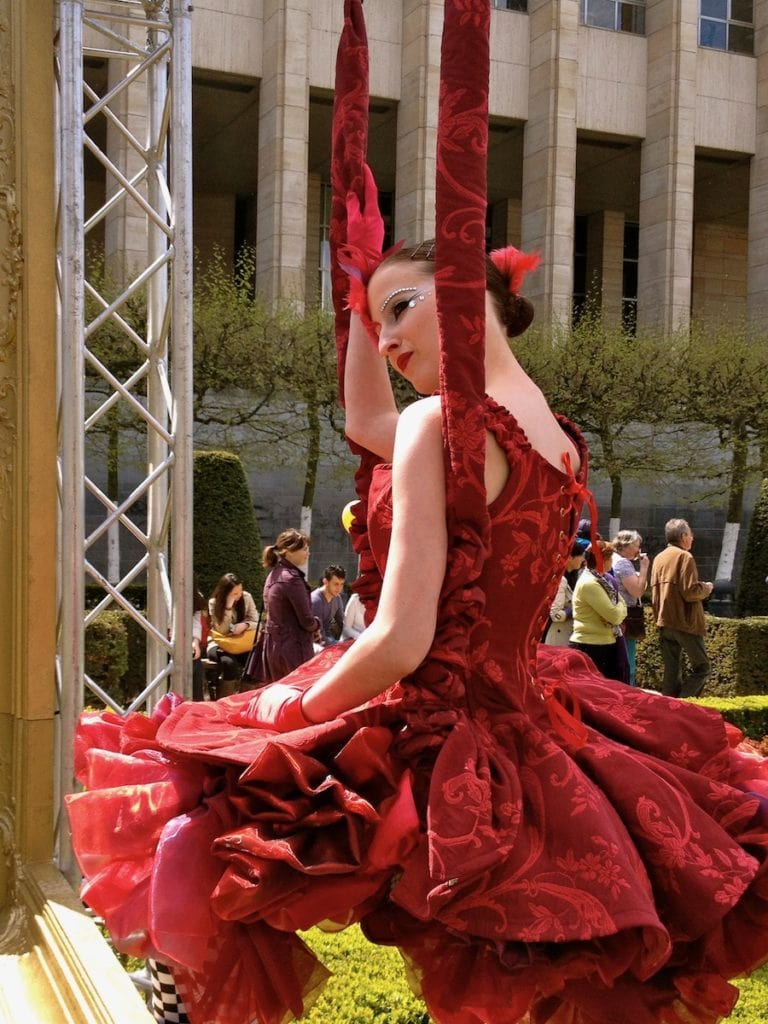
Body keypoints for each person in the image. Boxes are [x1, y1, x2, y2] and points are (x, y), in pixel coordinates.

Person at [66, 235, 768, 1024]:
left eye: (402, 310)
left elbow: (402, 639)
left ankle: (177, 1009)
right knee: (549, 964)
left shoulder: (440, 421)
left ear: (470, 296)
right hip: (525, 713)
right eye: (379, 324)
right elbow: (372, 420)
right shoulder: (558, 435)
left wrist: (293, 708)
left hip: (434, 720)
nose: (388, 340)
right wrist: (360, 310)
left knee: (191, 805)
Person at [651, 517, 714, 698]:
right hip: (685, 622)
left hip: (665, 621)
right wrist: (707, 588)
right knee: (703, 668)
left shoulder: (660, 557)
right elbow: (690, 592)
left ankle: (668, 708)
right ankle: (682, 704)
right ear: (683, 536)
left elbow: (655, 591)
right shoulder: (685, 557)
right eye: (690, 534)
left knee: (671, 671)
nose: (692, 538)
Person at [260, 528, 320, 682]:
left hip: (273, 647)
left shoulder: (273, 575)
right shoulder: (291, 579)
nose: (308, 553)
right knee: (298, 691)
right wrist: (317, 625)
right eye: (304, 549)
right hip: (293, 649)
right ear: (289, 551)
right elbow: (307, 621)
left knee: (278, 692)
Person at [569, 540, 629, 683]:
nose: (611, 562)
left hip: (604, 643)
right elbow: (615, 616)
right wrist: (620, 608)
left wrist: (619, 608)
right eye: (610, 558)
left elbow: (621, 605)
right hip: (591, 646)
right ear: (602, 560)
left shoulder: (602, 580)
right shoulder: (590, 583)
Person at [206, 573, 259, 698]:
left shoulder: (246, 597)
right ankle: (225, 700)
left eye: (240, 591)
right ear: (225, 593)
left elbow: (256, 622)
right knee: (229, 664)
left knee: (255, 662)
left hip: (241, 642)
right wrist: (228, 607)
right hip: (219, 644)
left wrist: (245, 625)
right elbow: (222, 630)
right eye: (235, 593)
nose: (239, 595)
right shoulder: (214, 603)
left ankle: (245, 699)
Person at [611, 528, 650, 685]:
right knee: (628, 662)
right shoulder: (624, 564)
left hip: (615, 614)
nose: (639, 550)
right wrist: (644, 567)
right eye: (637, 545)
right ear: (626, 546)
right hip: (627, 616)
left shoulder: (613, 559)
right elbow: (637, 591)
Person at [543, 539, 586, 646]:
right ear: (570, 557)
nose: (583, 559)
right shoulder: (561, 580)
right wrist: (575, 609)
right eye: (580, 555)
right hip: (557, 637)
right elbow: (555, 615)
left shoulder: (573, 576)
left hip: (567, 634)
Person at [310, 564, 347, 646]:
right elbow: (319, 636)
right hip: (314, 643)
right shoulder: (316, 601)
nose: (339, 588)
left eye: (342, 584)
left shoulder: (337, 598)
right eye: (336, 584)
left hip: (329, 638)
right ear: (325, 582)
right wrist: (339, 645)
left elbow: (343, 623)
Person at [191, 577, 209, 701]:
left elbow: (196, 623)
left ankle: (197, 704)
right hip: (168, 640)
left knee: (196, 664)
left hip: (189, 640)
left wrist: (195, 642)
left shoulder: (196, 598)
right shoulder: (166, 594)